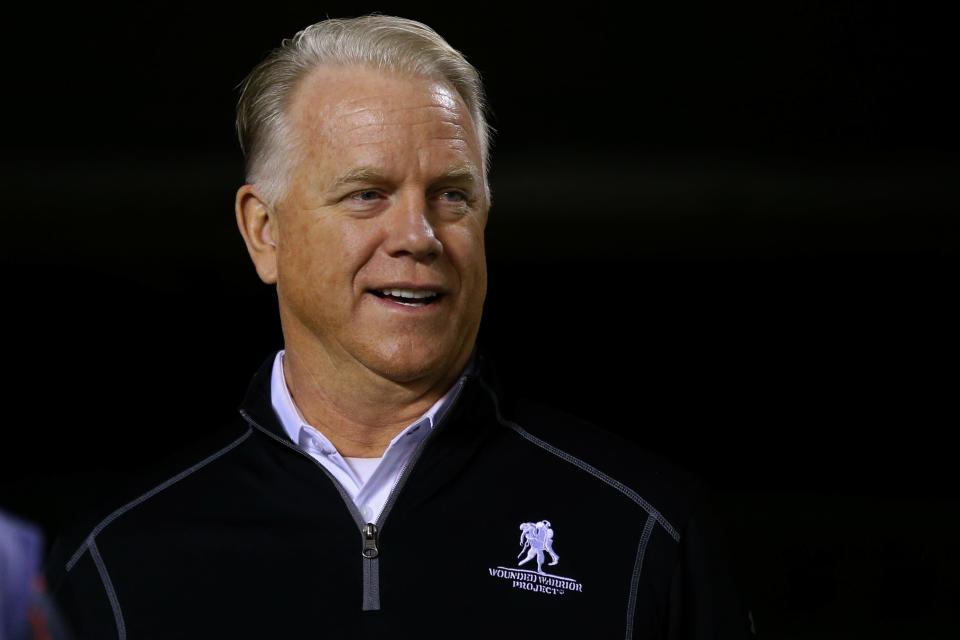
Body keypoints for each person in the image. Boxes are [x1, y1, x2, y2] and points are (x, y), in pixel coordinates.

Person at [45, 15, 755, 639]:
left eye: (451, 195)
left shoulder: (644, 534)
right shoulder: (111, 561)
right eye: (367, 194)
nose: (417, 235)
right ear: (264, 232)